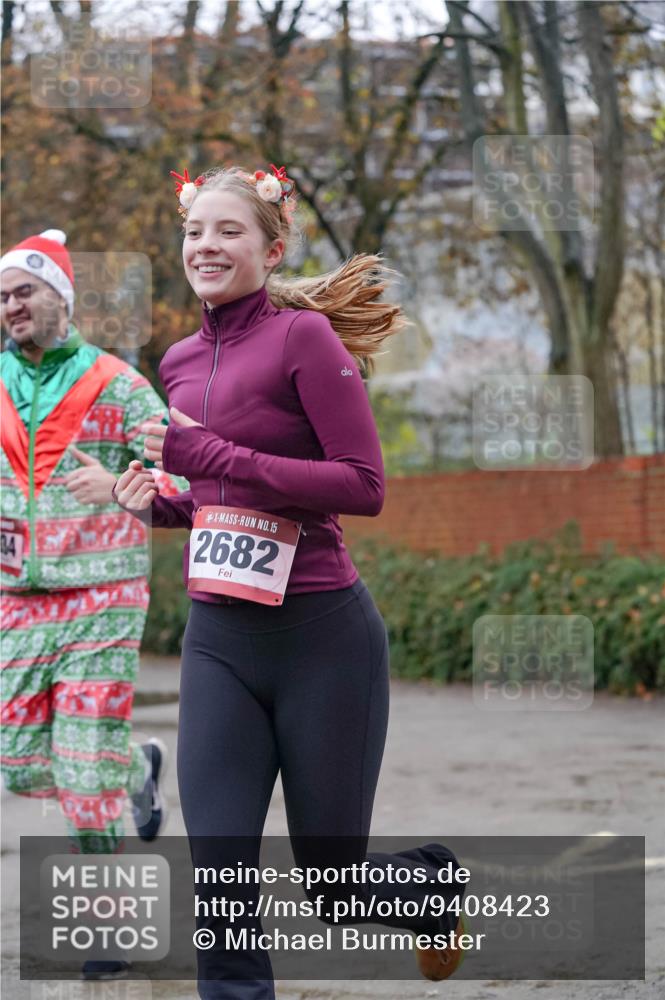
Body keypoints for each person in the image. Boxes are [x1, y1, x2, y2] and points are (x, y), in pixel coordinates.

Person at [114, 165, 468, 998]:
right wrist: (161, 505)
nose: (206, 244)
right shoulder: (176, 359)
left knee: (333, 887)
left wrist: (203, 456)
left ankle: (429, 885)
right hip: (219, 644)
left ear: (270, 251)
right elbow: (217, 499)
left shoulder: (301, 340)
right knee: (221, 874)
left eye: (227, 231)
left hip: (321, 639)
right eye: (195, 230)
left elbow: (361, 485)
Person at [0, 229, 186, 979]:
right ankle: (136, 771)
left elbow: (175, 465)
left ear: (61, 299)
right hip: (15, 599)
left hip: (103, 593)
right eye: (3, 296)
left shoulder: (114, 382)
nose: (12, 305)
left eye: (25, 291)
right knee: (17, 763)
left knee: (79, 769)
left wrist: (132, 488)